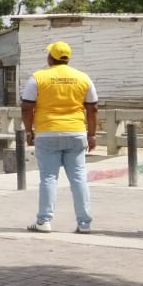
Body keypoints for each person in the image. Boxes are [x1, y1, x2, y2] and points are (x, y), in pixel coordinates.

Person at [22, 41, 98, 234]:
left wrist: (29, 130)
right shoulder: (83, 78)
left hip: (47, 132)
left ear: (50, 57)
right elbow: (93, 108)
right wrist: (92, 134)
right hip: (76, 132)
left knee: (48, 177)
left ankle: (44, 221)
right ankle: (84, 223)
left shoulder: (38, 78)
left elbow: (26, 106)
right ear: (67, 58)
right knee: (79, 178)